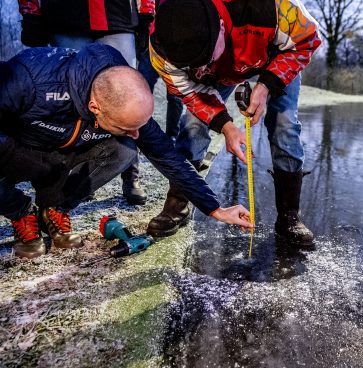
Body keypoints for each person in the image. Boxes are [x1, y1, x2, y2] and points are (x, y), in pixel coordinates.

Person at [0, 43, 252, 259]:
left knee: (126, 148)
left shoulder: (124, 101)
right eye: (125, 126)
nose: (135, 132)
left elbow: (169, 158)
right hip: (21, 153)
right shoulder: (27, 79)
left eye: (137, 127)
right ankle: (21, 212)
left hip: (64, 153)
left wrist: (215, 208)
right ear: (94, 106)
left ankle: (54, 207)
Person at [149, 0, 322, 249]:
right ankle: (179, 204)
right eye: (191, 65)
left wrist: (266, 86)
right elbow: (190, 91)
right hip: (223, 69)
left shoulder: (274, 4)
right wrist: (227, 126)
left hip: (273, 55)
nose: (198, 70)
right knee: (193, 124)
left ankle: (289, 215)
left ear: (219, 27)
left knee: (285, 125)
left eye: (202, 60)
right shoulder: (162, 44)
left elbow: (307, 41)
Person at [11, 0, 156, 205]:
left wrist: (145, 12)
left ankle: (131, 174)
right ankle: (78, 177)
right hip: (66, 11)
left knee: (128, 96)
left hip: (116, 11)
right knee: (74, 103)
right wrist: (32, 12)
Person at [136, 0, 207, 143]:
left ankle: (171, 136)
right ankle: (142, 132)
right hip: (151, 40)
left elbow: (201, 8)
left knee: (175, 93)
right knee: (143, 87)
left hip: (176, 44)